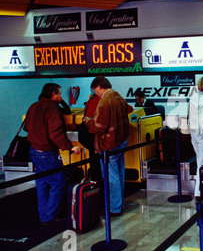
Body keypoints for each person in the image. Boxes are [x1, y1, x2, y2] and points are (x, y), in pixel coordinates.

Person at [25, 83, 81, 224]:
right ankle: (50, 216)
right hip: (47, 152)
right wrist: (70, 147)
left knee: (42, 183)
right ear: (53, 94)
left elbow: (26, 127)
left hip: (34, 151)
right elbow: (56, 133)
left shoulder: (34, 106)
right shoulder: (53, 109)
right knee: (58, 182)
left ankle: (43, 215)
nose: (61, 96)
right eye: (60, 94)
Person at [85, 76, 133, 216]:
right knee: (119, 174)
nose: (95, 93)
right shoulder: (118, 96)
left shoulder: (104, 101)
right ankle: (119, 204)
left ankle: (114, 208)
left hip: (108, 145)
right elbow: (129, 110)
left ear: (99, 87)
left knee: (111, 176)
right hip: (121, 141)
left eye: (95, 90)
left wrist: (88, 121)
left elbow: (98, 127)